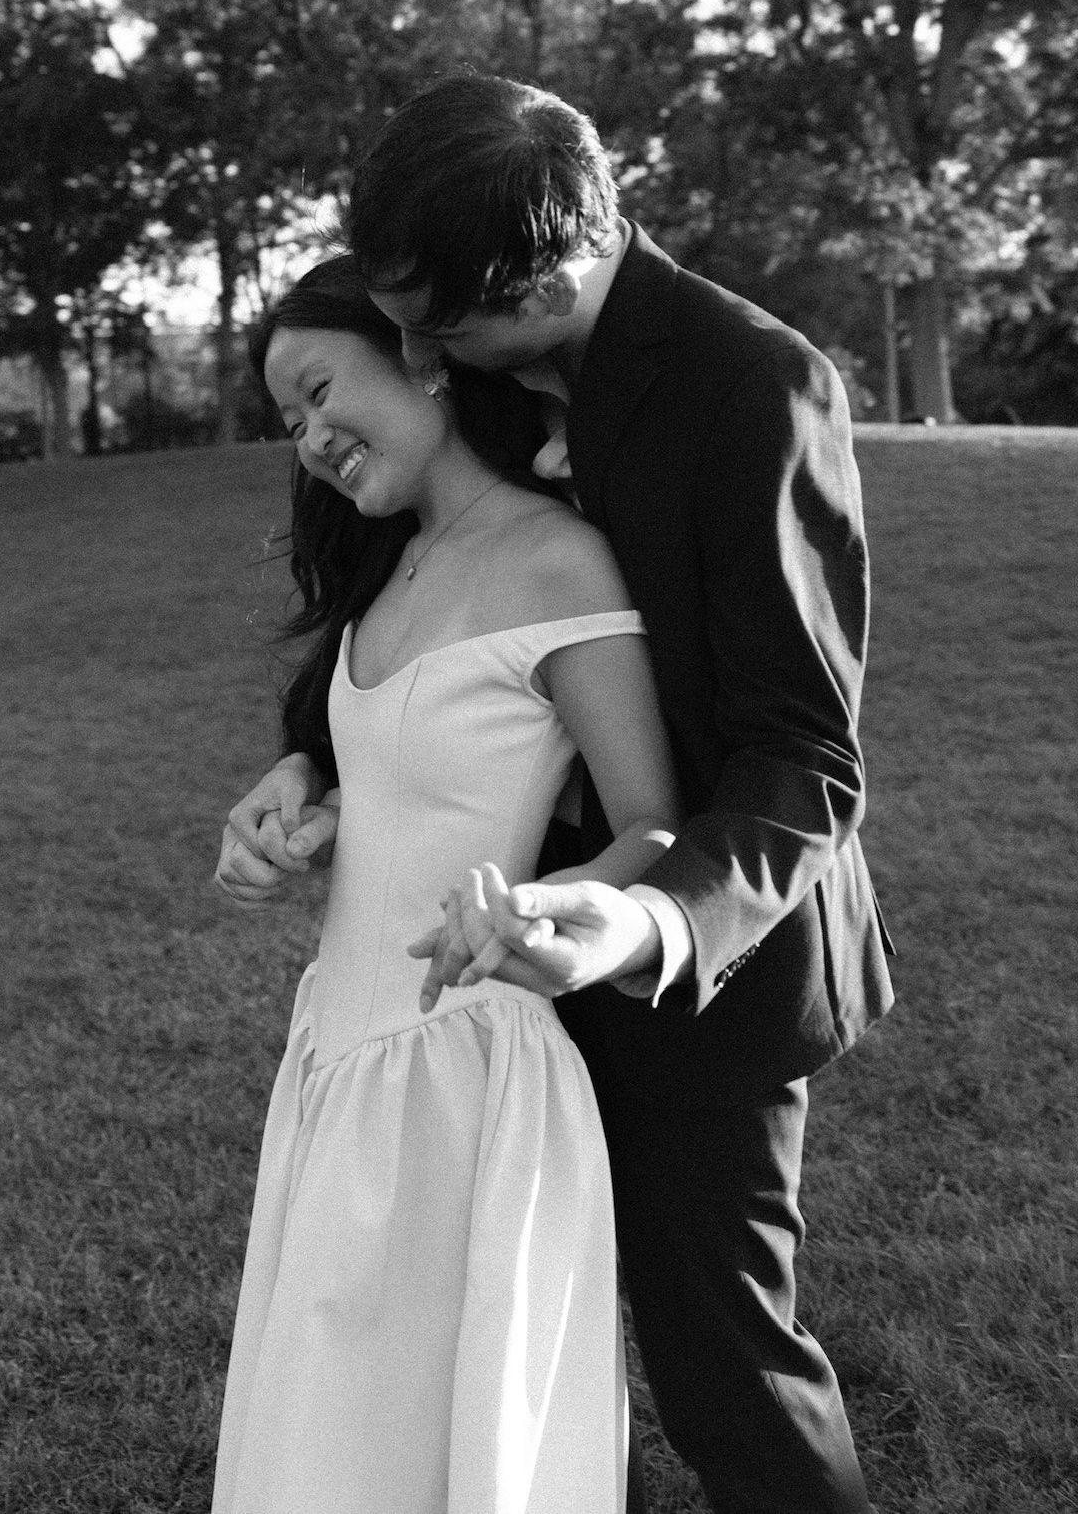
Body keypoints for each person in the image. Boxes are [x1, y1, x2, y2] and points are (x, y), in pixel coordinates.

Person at [217, 76, 896, 1514]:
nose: (412, 352)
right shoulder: (483, 366)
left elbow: (804, 754)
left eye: (431, 327)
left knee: (724, 1365)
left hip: (699, 958)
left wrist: (638, 922)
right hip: (486, 975)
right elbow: (444, 614)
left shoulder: (750, 384)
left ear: (534, 283)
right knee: (514, 1352)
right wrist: (314, 758)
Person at [211, 254, 682, 1513]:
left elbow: (651, 818)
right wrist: (302, 809)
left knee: (429, 1427)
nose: (310, 437)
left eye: (319, 391)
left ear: (421, 358)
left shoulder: (558, 559)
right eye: (289, 421)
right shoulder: (389, 573)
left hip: (460, 1063)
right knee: (327, 1420)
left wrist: (556, 911)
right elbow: (402, 770)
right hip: (335, 1050)